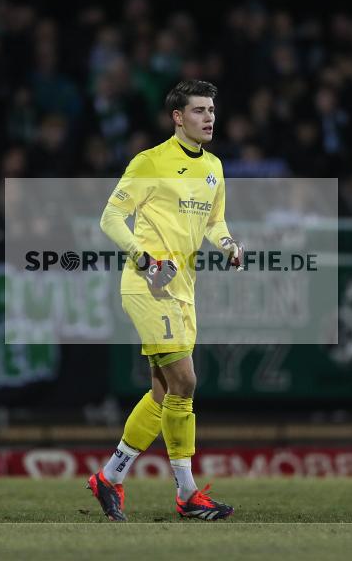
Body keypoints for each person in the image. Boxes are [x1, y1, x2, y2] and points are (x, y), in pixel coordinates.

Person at [91, 80, 243, 521]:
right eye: (198, 111)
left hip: (183, 288)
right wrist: (145, 258)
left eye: (211, 110)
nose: (209, 117)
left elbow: (215, 221)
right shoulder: (151, 162)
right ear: (178, 118)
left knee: (163, 391)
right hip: (147, 283)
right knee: (186, 382)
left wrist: (229, 243)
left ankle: (109, 477)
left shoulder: (213, 166)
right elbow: (110, 217)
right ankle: (187, 493)